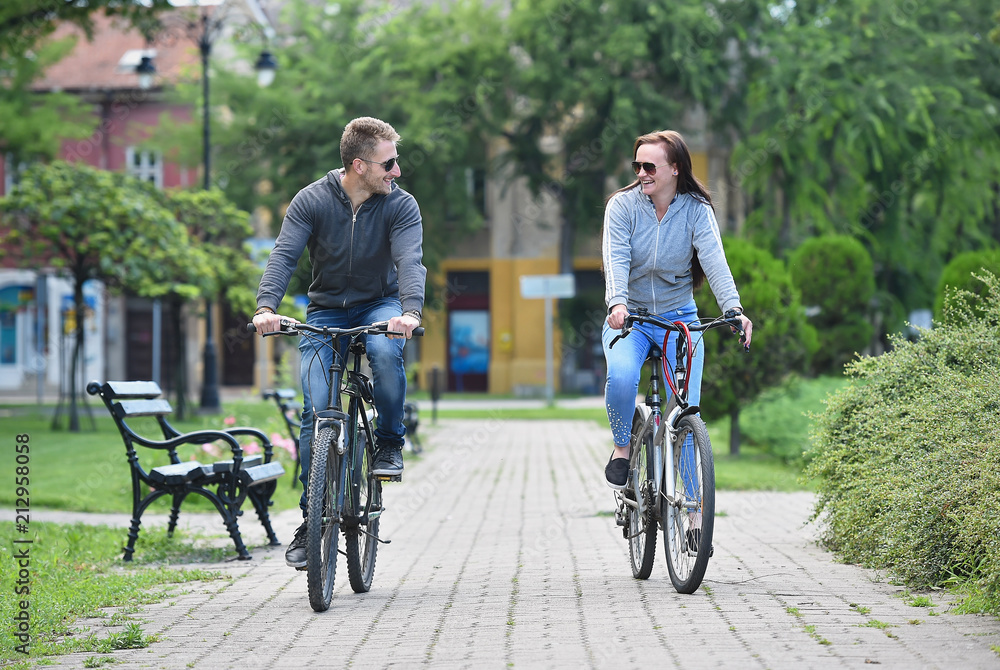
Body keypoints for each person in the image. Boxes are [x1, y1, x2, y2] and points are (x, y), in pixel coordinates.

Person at [252, 116, 426, 568]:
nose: (397, 171)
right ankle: (312, 521)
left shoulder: (400, 206)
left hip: (380, 305)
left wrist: (408, 313)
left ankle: (389, 441)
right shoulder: (311, 201)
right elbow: (284, 254)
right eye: (389, 163)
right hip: (326, 310)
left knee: (387, 352)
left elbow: (410, 259)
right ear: (358, 164)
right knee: (316, 410)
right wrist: (265, 307)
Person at [601, 129, 753, 489]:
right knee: (621, 378)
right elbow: (616, 259)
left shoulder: (696, 211)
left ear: (675, 169)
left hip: (678, 321)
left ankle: (695, 513)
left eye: (650, 166)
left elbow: (715, 260)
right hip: (631, 319)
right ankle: (622, 448)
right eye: (637, 165)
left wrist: (734, 309)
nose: (641, 173)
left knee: (686, 413)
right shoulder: (622, 207)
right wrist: (617, 303)